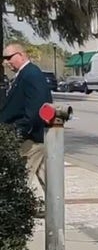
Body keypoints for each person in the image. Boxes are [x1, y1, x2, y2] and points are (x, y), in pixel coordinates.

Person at [1, 43, 52, 214]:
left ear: (21, 55)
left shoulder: (31, 74)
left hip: (30, 138)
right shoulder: (24, 75)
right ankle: (54, 209)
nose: (6, 62)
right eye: (4, 58)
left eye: (9, 57)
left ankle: (16, 213)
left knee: (20, 176)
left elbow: (36, 108)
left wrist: (19, 131)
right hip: (31, 136)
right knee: (46, 176)